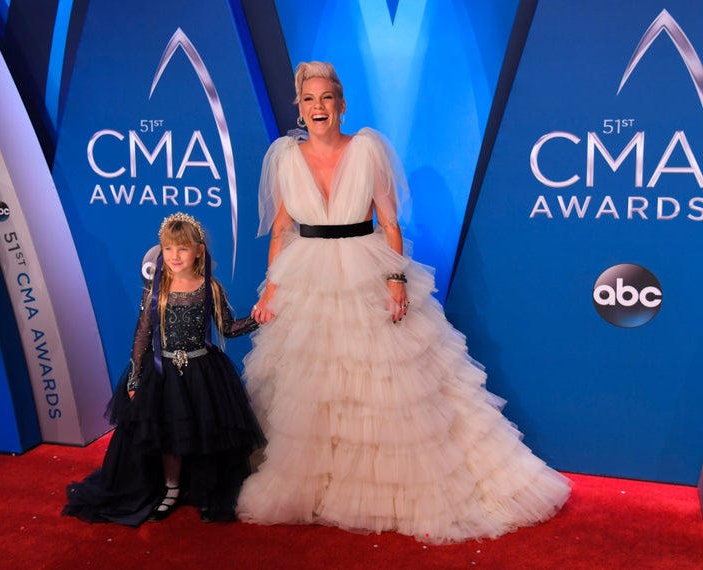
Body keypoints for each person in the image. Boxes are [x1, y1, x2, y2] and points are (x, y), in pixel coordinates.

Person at [235, 61, 571, 543]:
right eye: (309, 100)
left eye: (326, 98)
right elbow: (283, 227)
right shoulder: (286, 156)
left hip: (366, 269)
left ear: (341, 103)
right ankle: (319, 484)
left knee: (381, 384)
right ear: (300, 108)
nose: (318, 107)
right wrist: (271, 287)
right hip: (306, 274)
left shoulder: (366, 149)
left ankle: (373, 490)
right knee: (314, 385)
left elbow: (389, 223)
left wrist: (395, 281)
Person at [63, 212, 264, 525]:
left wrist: (256, 318)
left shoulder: (210, 288)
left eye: (182, 249)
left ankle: (207, 490)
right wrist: (134, 377)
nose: (174, 256)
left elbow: (227, 328)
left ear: (198, 250)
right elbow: (142, 335)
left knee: (204, 433)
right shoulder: (156, 289)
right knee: (170, 433)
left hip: (203, 371)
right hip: (164, 372)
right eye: (168, 249)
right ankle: (170, 488)